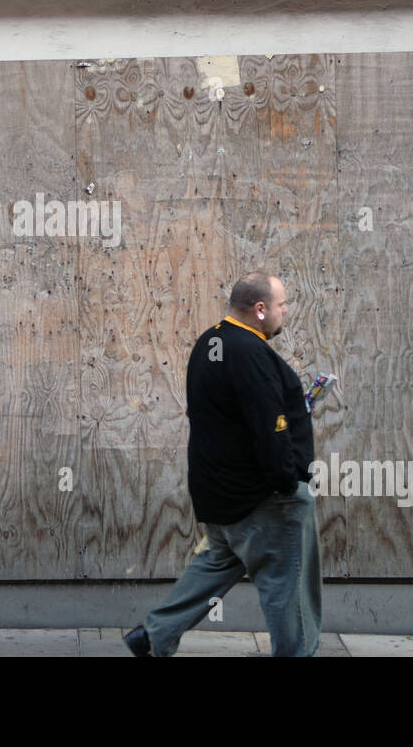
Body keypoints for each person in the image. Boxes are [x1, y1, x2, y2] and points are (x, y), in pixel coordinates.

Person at [123, 272, 320, 657]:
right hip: (262, 499)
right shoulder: (250, 352)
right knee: (289, 587)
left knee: (217, 562)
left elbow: (231, 415)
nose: (286, 312)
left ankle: (154, 635)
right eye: (282, 305)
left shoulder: (210, 342)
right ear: (260, 310)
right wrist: (287, 483)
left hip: (220, 494)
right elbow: (267, 425)